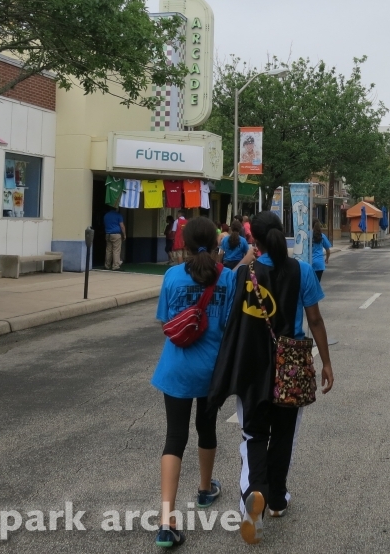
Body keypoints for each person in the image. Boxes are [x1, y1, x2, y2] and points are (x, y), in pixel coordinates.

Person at [208, 211, 334, 545]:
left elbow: (228, 317)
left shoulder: (244, 274)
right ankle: (277, 499)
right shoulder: (302, 270)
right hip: (290, 364)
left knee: (253, 436)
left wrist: (245, 261)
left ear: (255, 240)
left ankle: (254, 494)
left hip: (252, 366)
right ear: (282, 235)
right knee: (284, 435)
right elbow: (316, 320)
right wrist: (326, 363)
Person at [152, 217, 247, 548]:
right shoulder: (228, 279)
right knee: (206, 429)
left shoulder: (172, 276)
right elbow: (235, 323)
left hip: (176, 369)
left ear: (185, 245)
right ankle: (205, 490)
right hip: (212, 372)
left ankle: (166, 519)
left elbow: (166, 321)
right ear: (217, 244)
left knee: (174, 437)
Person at [103, 205, 126, 270]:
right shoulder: (118, 215)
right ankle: (115, 266)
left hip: (108, 234)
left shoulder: (106, 215)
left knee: (108, 250)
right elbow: (122, 226)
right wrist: (124, 235)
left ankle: (107, 265)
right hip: (116, 234)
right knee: (116, 250)